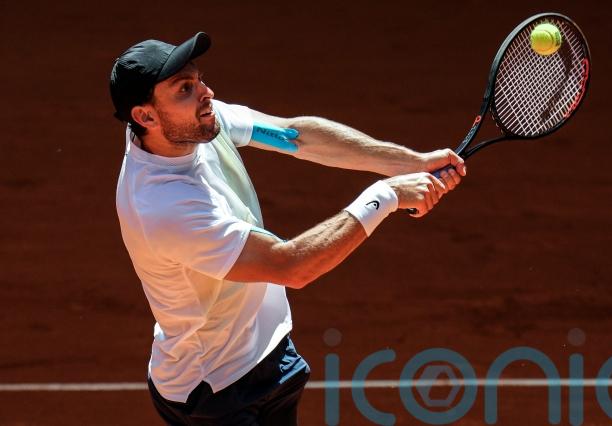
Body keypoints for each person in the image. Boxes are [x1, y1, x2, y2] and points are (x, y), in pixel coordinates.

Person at [110, 32, 466, 426]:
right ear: (145, 116)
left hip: (271, 354)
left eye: (199, 80)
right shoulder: (164, 206)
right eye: (185, 89)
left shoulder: (195, 124)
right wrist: (387, 195)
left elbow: (296, 136)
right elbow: (291, 266)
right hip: (214, 391)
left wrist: (408, 162)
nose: (206, 93)